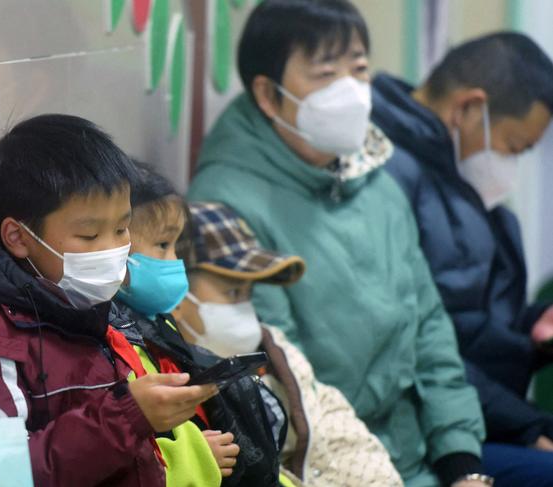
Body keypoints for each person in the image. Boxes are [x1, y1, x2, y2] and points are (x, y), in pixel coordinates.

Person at [188, 1, 489, 486]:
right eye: (325, 72)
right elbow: (291, 378)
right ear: (267, 94)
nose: (350, 90)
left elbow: (430, 329)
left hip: (417, 454)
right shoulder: (226, 203)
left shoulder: (376, 179)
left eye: (360, 69)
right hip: (329, 466)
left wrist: (462, 461)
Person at [0, 114, 218, 487]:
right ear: (18, 237)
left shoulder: (81, 306)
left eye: (122, 229)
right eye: (89, 236)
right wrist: (127, 416)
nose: (112, 249)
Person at [371, 32, 553, 485]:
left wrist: (535, 328)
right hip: (432, 426)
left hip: (479, 412)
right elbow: (421, 340)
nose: (511, 166)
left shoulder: (453, 179)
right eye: (513, 147)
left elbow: (470, 321)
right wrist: (527, 425)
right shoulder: (388, 177)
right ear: (470, 107)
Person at [174, 200, 404, 487]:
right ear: (176, 291)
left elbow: (338, 432)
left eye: (249, 293)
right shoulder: (168, 378)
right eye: (232, 291)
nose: (246, 309)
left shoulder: (274, 350)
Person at [113, 162, 285, 487]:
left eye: (177, 246)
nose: (175, 262)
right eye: (163, 245)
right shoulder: (110, 344)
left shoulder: (157, 331)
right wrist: (194, 459)